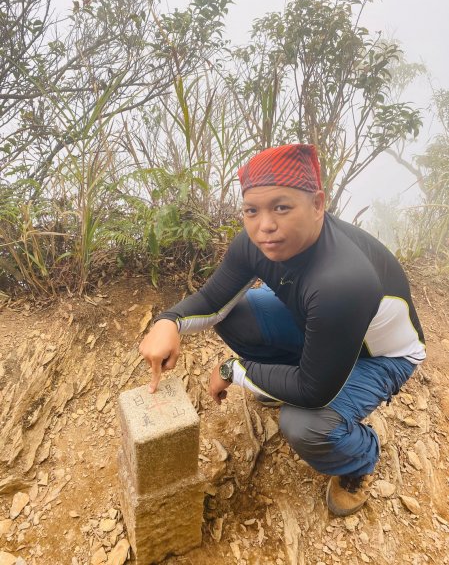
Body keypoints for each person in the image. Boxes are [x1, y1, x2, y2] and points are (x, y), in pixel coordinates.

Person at [139, 144, 426, 517]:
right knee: (235, 315)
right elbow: (214, 300)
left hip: (378, 355)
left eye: (282, 207)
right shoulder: (257, 241)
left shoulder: (342, 279)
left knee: (305, 421)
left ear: (318, 204)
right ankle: (280, 377)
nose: (265, 226)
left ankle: (360, 459)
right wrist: (168, 321)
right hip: (319, 326)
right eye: (251, 211)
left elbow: (312, 390)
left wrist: (234, 370)